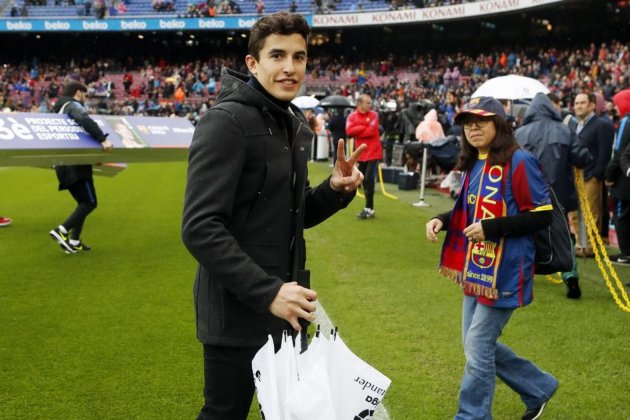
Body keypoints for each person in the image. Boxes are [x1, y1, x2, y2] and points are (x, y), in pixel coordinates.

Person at [180, 13, 365, 420]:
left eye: (298, 57)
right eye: (277, 55)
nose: (289, 67)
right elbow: (200, 228)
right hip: (238, 310)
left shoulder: (294, 122)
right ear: (252, 63)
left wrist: (335, 190)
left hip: (288, 305)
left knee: (286, 413)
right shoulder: (225, 121)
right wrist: (268, 293)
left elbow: (290, 216)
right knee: (224, 413)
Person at [425, 97, 558, 420]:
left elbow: (542, 215)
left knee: (478, 345)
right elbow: (468, 211)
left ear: (499, 125)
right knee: (475, 345)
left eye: (480, 121)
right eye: (468, 123)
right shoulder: (476, 162)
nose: (473, 128)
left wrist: (492, 227)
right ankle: (538, 387)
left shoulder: (521, 161)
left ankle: (471, 416)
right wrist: (444, 219)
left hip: (508, 269)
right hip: (477, 267)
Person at [515, 92, 592, 299]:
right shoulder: (565, 130)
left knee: (526, 232)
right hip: (558, 193)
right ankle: (570, 274)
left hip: (527, 193)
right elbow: (582, 158)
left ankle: (523, 275)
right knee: (562, 234)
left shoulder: (520, 133)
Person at [49, 81, 113, 254]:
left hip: (63, 163)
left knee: (83, 203)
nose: (85, 99)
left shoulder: (58, 109)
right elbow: (84, 119)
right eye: (84, 95)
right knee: (90, 202)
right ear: (78, 93)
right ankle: (61, 230)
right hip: (75, 162)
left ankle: (75, 240)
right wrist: (102, 139)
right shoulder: (72, 105)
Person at [569, 92, 615, 257]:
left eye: (582, 103)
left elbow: (604, 153)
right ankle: (580, 244)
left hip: (590, 176)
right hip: (574, 174)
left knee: (591, 212)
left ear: (592, 105)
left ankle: (590, 246)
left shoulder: (601, 125)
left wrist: (597, 175)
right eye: (576, 103)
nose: (579, 106)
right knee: (574, 212)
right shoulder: (574, 125)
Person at [345, 94, 382, 219]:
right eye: (368, 103)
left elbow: (371, 131)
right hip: (361, 154)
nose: (370, 105)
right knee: (362, 180)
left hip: (373, 152)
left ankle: (369, 209)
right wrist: (364, 127)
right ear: (359, 104)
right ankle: (368, 208)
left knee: (368, 180)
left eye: (370, 102)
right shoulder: (352, 116)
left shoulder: (374, 115)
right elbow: (349, 132)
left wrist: (358, 129)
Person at [605, 89, 630, 267]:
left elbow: (619, 151)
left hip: (623, 179)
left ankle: (626, 252)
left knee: (622, 215)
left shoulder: (625, 121)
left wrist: (609, 174)